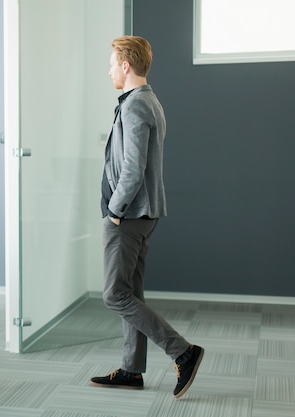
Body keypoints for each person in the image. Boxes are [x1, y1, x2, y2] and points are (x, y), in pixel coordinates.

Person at [89, 35, 204, 399]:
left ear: (126, 65)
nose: (109, 71)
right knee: (130, 291)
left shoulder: (136, 105)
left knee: (114, 295)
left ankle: (182, 352)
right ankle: (131, 369)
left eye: (112, 64)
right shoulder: (148, 100)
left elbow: (133, 168)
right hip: (144, 213)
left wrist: (115, 212)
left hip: (130, 215)